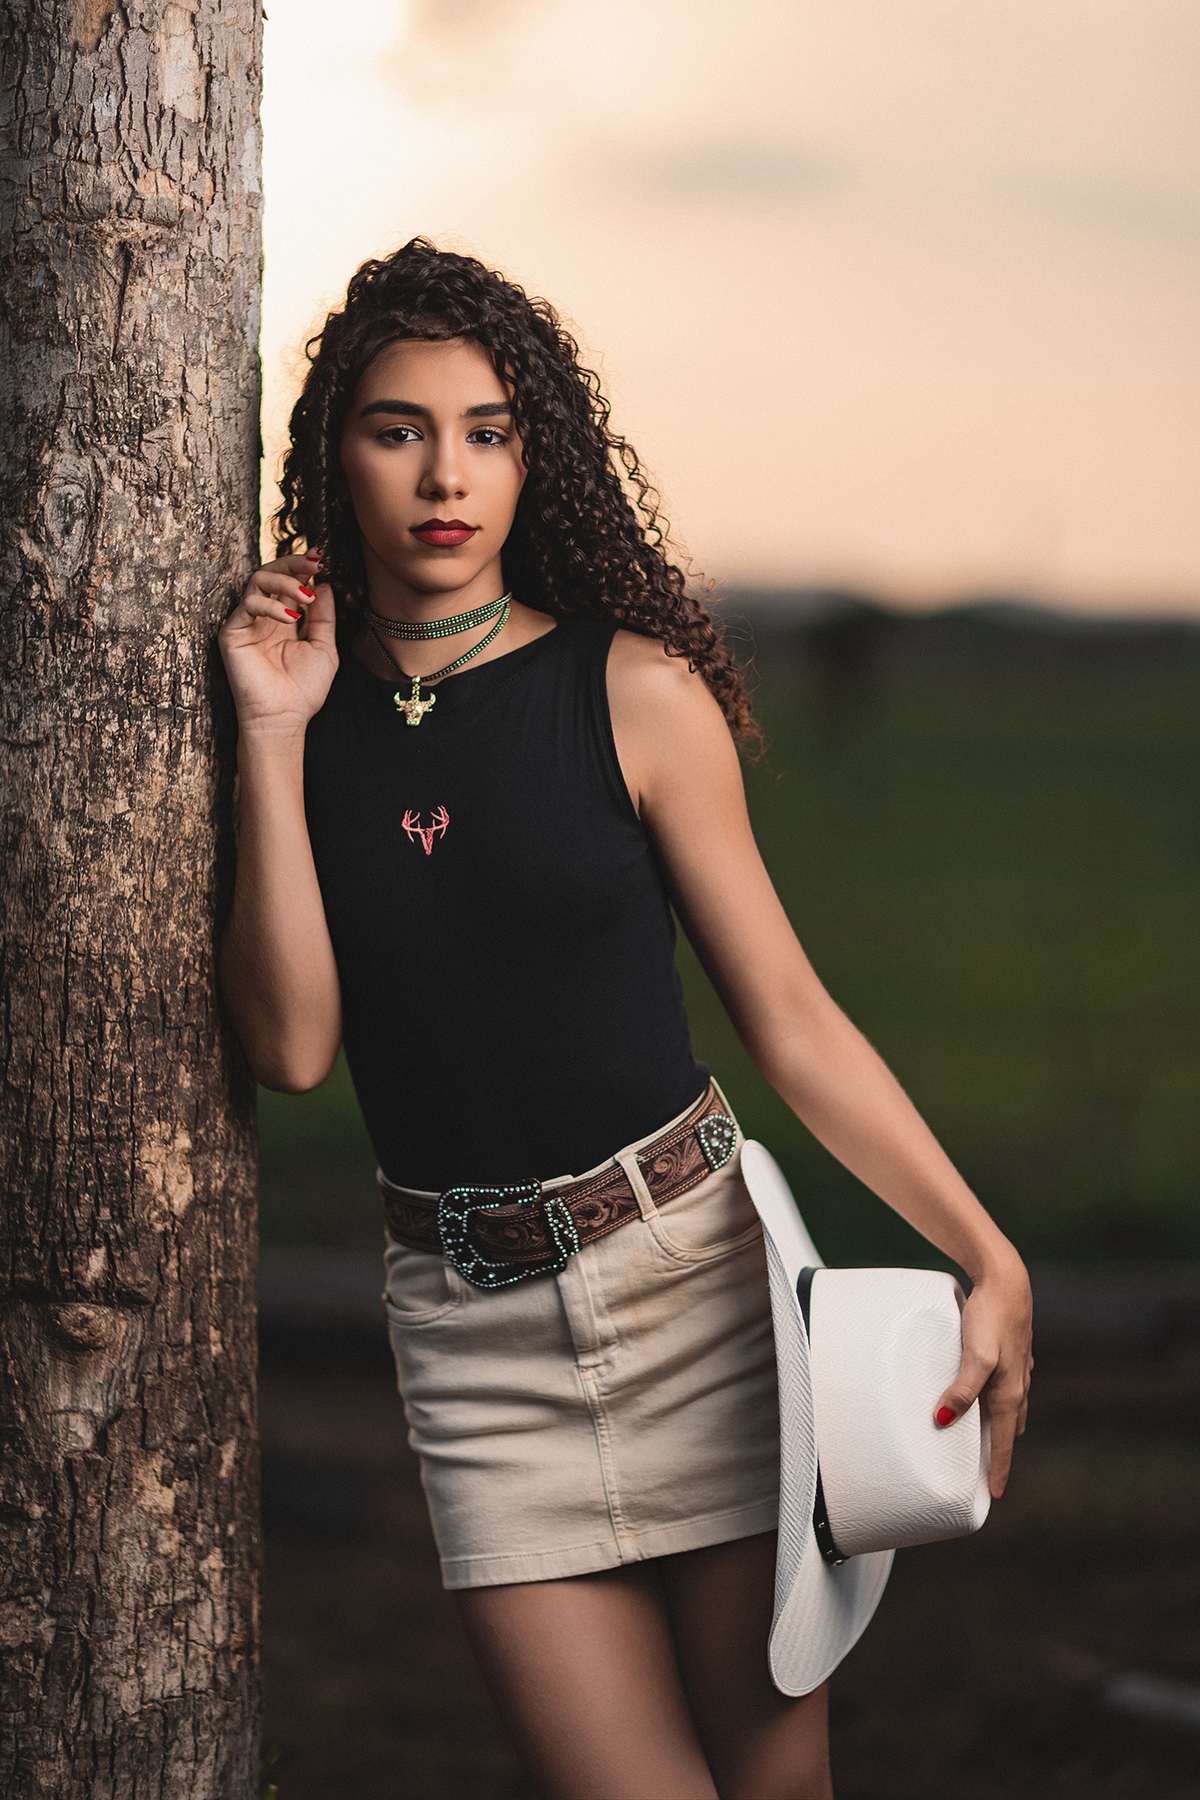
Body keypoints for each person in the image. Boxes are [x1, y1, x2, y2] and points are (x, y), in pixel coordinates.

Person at [218, 238, 1033, 1800]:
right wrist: (266, 735)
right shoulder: (299, 722)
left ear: (540, 460)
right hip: (470, 1340)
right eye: (398, 429)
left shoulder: (634, 691)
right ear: (336, 456)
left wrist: (990, 1255)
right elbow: (293, 1050)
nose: (444, 473)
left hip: (696, 1293)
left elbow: (788, 1018)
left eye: (488, 430)